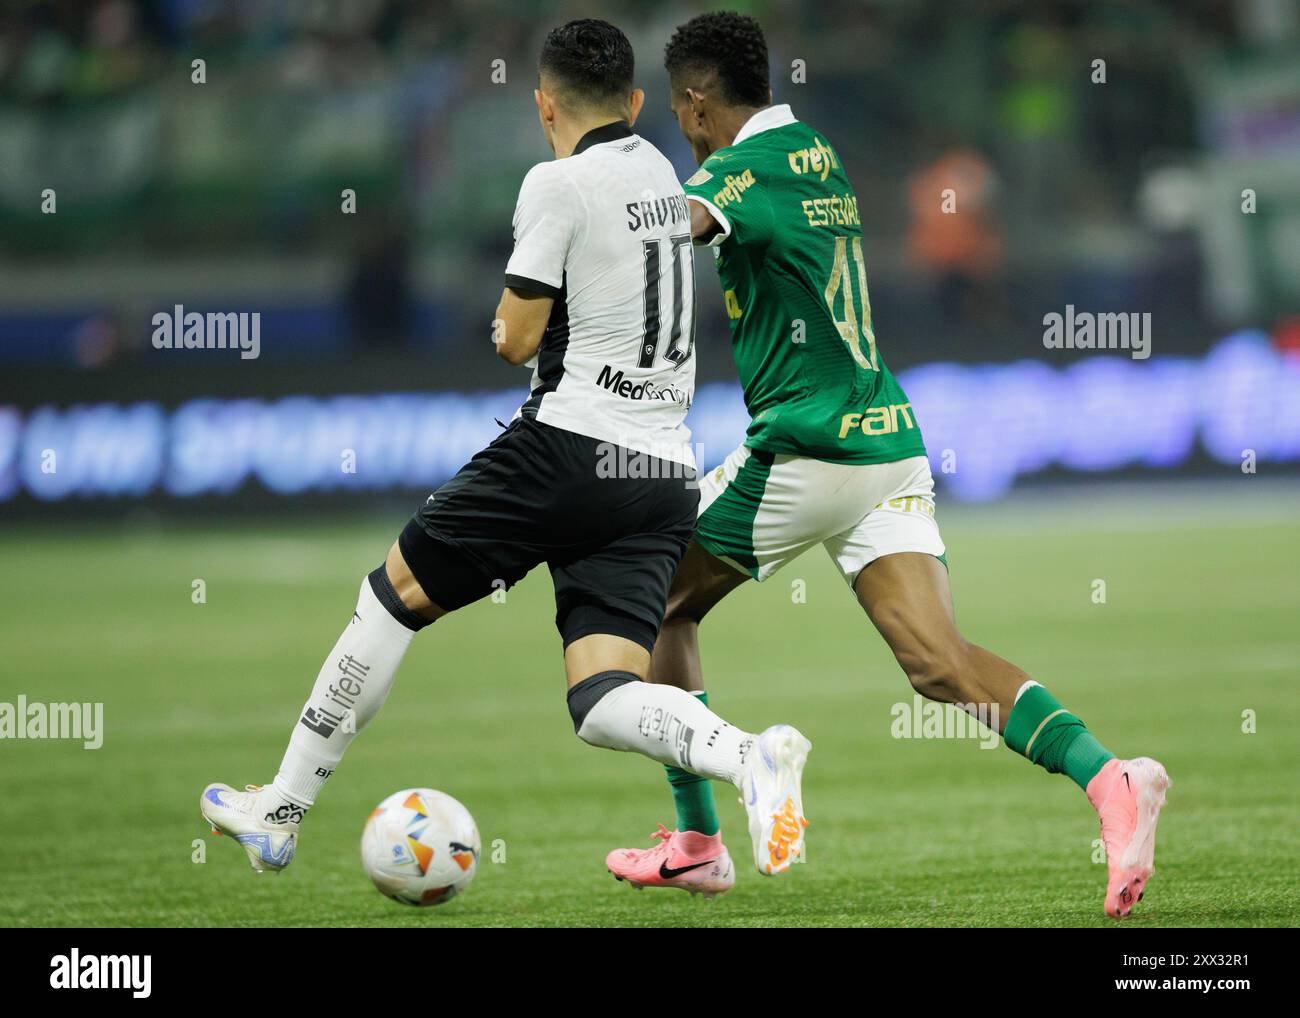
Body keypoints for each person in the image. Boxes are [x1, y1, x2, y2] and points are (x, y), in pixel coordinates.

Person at [200, 18, 810, 884]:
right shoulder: (664, 172)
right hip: (662, 470)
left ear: (542, 105)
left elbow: (515, 341)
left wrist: (503, 320)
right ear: (637, 104)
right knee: (602, 698)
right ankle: (747, 755)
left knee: (390, 599)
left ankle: (282, 810)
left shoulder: (554, 183)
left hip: (566, 448)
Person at [603, 12, 1168, 919]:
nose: (682, 128)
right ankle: (1113, 783)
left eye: (680, 113)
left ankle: (700, 840)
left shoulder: (737, 172)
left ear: (698, 104)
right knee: (938, 663)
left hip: (810, 448)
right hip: (888, 441)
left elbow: (671, 230)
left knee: (649, 594)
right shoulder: (815, 151)